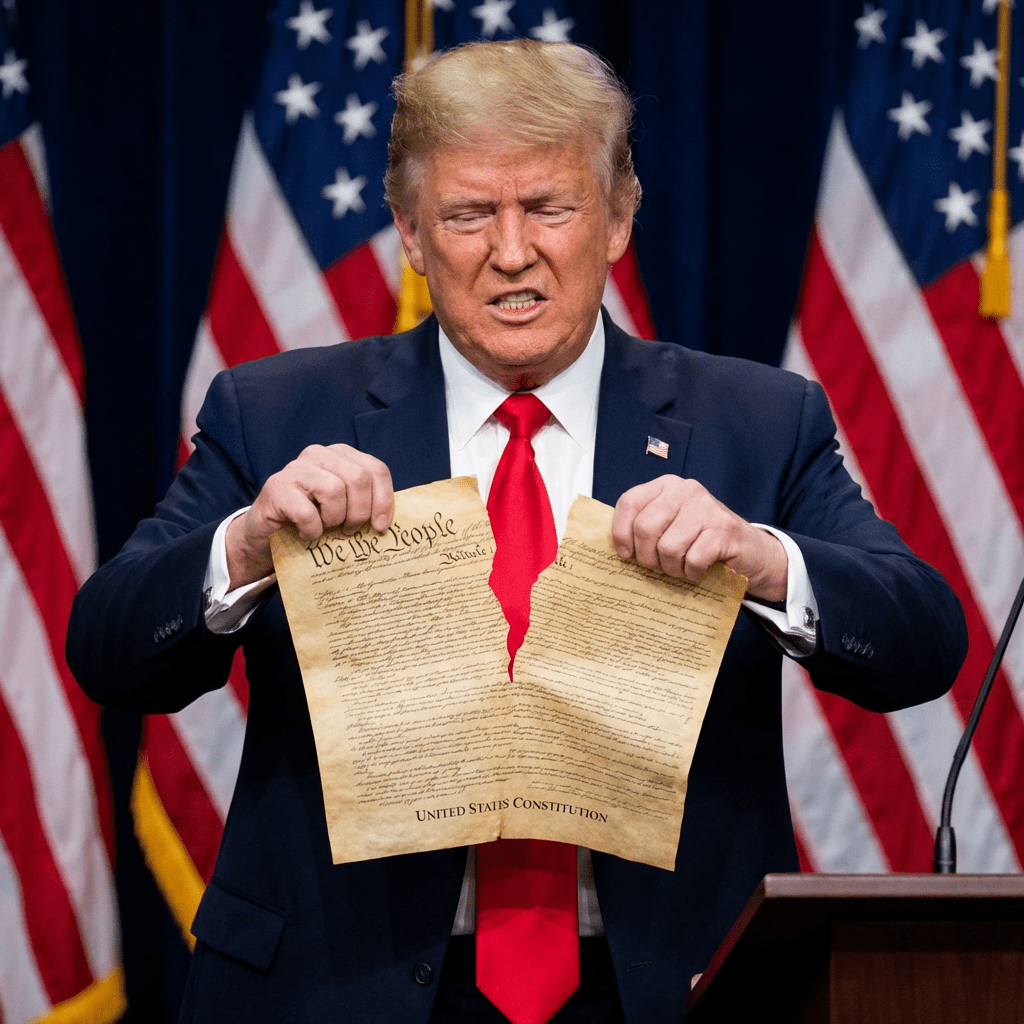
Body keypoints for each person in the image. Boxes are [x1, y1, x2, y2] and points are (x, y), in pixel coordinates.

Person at [67, 39, 967, 1024]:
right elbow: (110, 647)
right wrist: (243, 547)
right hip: (338, 986)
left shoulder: (755, 422)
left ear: (617, 218)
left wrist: (762, 560)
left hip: (662, 990)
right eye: (467, 214)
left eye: (548, 207)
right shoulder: (278, 413)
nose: (510, 251)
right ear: (412, 234)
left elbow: (921, 641)